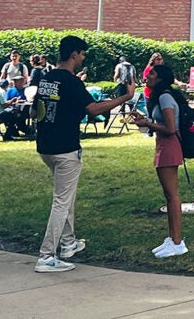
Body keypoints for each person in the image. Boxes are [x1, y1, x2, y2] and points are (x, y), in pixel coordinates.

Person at [34, 35, 134, 273]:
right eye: (82, 54)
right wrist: (126, 98)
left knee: (65, 196)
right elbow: (94, 109)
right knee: (61, 201)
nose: (82, 58)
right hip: (66, 147)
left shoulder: (46, 79)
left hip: (46, 145)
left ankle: (68, 243)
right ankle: (46, 255)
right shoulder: (72, 82)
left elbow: (34, 109)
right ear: (74, 54)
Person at [131, 65, 188, 259]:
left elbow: (171, 127)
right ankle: (172, 239)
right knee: (169, 195)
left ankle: (178, 241)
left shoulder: (164, 97)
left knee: (172, 196)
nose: (148, 76)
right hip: (164, 146)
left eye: (152, 73)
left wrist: (147, 124)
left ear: (161, 78)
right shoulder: (162, 96)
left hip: (169, 146)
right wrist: (145, 119)